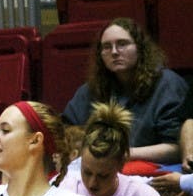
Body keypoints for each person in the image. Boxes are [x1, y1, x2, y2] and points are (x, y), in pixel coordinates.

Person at [63, 17, 190, 164]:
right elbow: (67, 131)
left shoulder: (167, 84)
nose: (114, 52)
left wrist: (122, 154)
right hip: (101, 170)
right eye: (107, 47)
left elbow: (176, 148)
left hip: (159, 170)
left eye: (122, 44)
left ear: (139, 48)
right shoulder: (91, 89)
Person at [60, 102, 181, 196]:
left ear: (121, 165)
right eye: (86, 172)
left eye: (103, 176)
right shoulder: (64, 193)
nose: (92, 183)